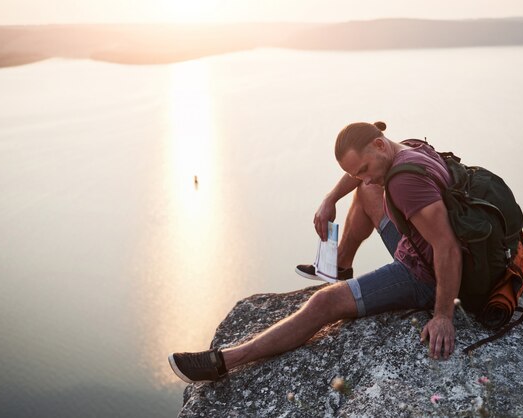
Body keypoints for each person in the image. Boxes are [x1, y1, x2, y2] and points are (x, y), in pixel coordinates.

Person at [168, 121, 462, 384]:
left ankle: (225, 360)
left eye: (364, 169)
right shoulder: (409, 148)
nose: (366, 177)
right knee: (366, 192)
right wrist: (331, 198)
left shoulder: (404, 182)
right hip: (418, 246)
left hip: (424, 275)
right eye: (357, 172)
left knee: (324, 301)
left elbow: (446, 247)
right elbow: (365, 177)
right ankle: (340, 266)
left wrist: (443, 316)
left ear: (380, 144)